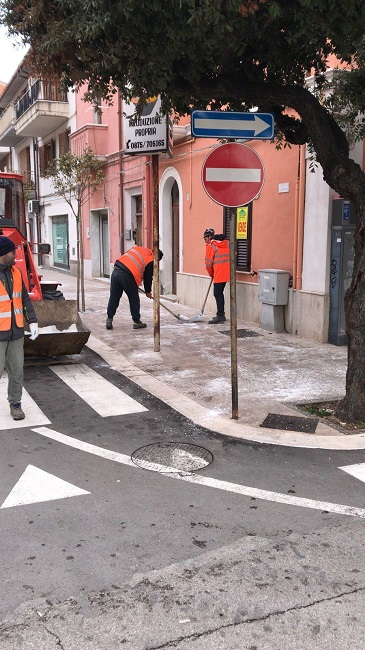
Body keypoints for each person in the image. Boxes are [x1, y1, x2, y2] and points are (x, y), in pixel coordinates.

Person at [0, 235, 39, 420]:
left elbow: (24, 298)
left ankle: (15, 404)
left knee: (17, 371)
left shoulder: (16, 272)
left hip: (16, 332)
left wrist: (32, 321)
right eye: (11, 251)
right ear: (2, 254)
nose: (15, 254)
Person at [106, 246, 163, 330]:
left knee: (114, 297)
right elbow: (147, 277)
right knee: (134, 299)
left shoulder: (139, 249)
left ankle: (109, 319)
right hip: (128, 275)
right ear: (157, 258)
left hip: (116, 271)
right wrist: (148, 291)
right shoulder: (151, 259)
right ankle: (136, 321)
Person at [204, 228, 230, 324]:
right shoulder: (226, 243)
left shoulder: (211, 246)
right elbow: (234, 253)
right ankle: (221, 313)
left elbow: (208, 264)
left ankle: (220, 315)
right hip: (227, 272)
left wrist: (211, 274)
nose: (205, 241)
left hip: (219, 274)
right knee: (219, 293)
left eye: (205, 239)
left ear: (210, 237)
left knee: (217, 293)